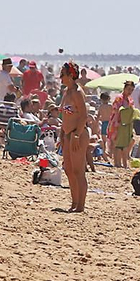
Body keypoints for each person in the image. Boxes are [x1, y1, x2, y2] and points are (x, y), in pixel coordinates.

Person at [57, 62, 88, 213]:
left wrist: (77, 134)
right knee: (68, 169)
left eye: (62, 74)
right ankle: (74, 202)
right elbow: (65, 115)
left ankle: (80, 205)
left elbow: (83, 115)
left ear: (70, 75)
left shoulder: (77, 92)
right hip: (68, 133)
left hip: (78, 134)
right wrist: (62, 134)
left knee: (78, 171)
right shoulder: (66, 92)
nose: (60, 77)